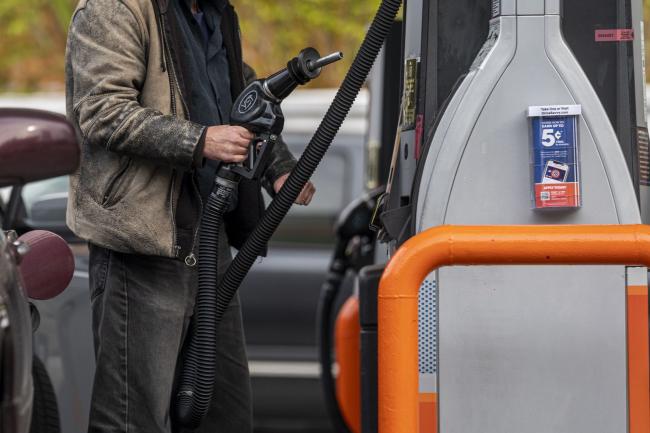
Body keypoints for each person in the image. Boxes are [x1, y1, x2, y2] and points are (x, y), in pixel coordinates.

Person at [65, 0, 315, 432]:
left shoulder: (214, 15)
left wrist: (277, 165)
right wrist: (200, 140)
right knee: (132, 420)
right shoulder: (114, 8)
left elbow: (236, 93)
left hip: (208, 242)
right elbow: (102, 110)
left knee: (224, 417)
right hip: (144, 244)